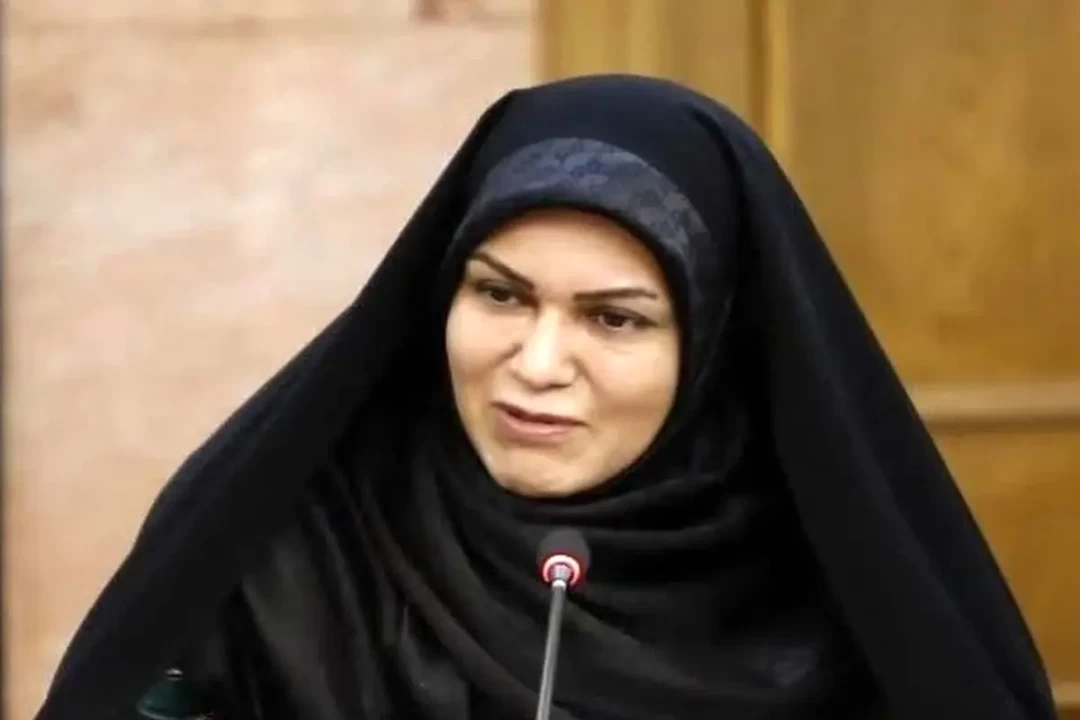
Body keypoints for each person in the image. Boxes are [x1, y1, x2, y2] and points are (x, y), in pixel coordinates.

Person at [34, 74, 1056, 720]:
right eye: (499, 295)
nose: (536, 362)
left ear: (713, 349)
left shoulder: (832, 576)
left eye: (614, 319)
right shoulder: (284, 539)